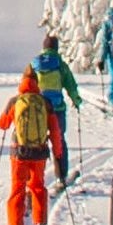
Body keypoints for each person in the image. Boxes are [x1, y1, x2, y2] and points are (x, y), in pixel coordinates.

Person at [0, 65, 65, 225]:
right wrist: (58, 152)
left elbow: (2, 124)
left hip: (19, 153)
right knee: (37, 188)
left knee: (17, 190)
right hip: (39, 153)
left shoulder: (15, 101)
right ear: (37, 83)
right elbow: (55, 130)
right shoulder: (45, 103)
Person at [30, 33, 79, 184]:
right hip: (57, 109)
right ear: (56, 49)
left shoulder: (35, 64)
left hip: (39, 111)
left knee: (38, 142)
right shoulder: (60, 64)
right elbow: (70, 85)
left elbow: (27, 86)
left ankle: (35, 178)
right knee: (59, 141)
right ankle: (61, 176)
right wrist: (76, 100)